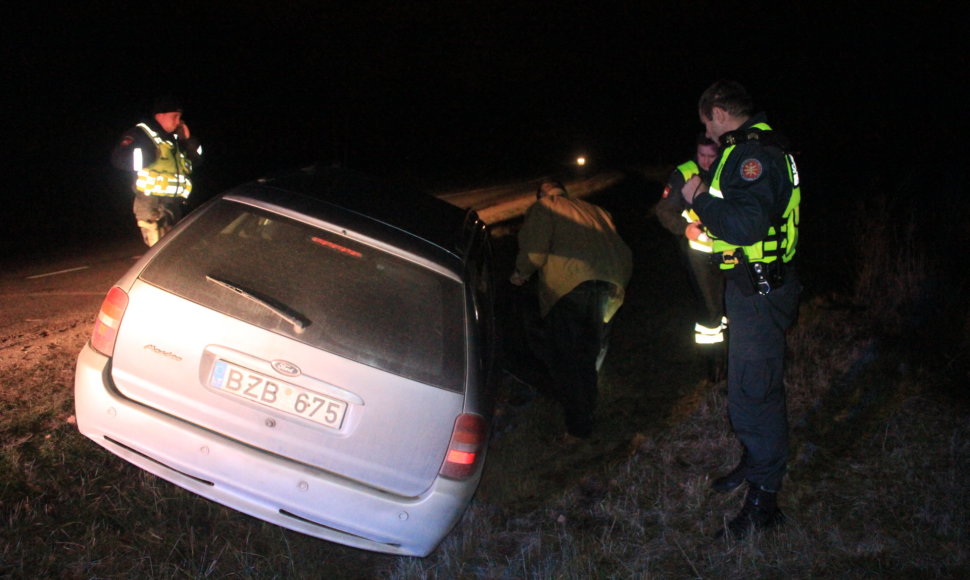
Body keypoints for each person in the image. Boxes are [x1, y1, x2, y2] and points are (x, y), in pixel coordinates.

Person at [681, 80, 802, 538]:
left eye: (706, 124)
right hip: (754, 286)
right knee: (755, 388)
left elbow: (748, 224)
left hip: (759, 293)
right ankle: (756, 462)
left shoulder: (752, 155)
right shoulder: (765, 145)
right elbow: (750, 226)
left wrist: (699, 198)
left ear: (716, 112)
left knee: (754, 397)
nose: (707, 135)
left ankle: (764, 501)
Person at [509, 180, 633, 442]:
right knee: (586, 356)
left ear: (542, 193)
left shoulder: (545, 207)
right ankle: (586, 416)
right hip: (608, 284)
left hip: (570, 286)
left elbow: (535, 247)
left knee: (568, 360)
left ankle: (577, 428)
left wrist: (521, 273)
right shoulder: (595, 210)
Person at [654, 133, 727, 375]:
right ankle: (713, 366)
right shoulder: (684, 173)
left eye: (711, 156)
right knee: (710, 311)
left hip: (732, 251)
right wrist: (685, 228)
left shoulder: (730, 168)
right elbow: (664, 211)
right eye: (701, 155)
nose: (705, 162)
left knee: (732, 306)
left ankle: (733, 355)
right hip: (700, 255)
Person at [111, 95, 203, 246]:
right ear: (160, 116)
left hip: (176, 204)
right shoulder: (141, 134)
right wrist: (146, 155)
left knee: (180, 249)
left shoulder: (175, 138)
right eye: (175, 116)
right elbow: (118, 159)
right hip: (153, 205)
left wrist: (188, 140)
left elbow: (197, 161)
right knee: (163, 252)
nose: (178, 121)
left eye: (180, 116)